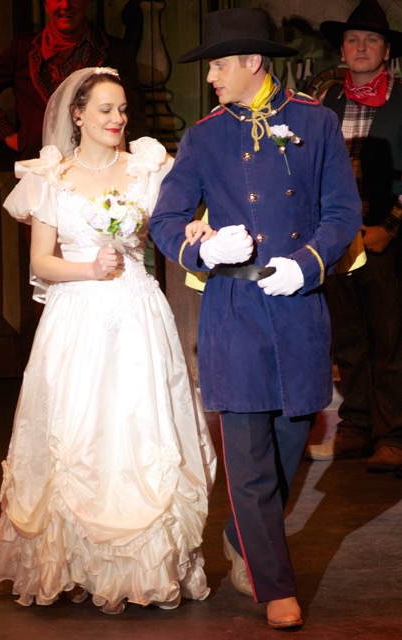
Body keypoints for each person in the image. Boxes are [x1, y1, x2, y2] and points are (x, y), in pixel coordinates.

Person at [149, 8, 362, 629]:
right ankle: (276, 587)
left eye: (218, 64)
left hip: (297, 304)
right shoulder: (204, 137)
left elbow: (342, 212)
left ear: (252, 61)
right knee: (246, 454)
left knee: (289, 443)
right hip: (235, 309)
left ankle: (241, 538)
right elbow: (165, 220)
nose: (210, 76)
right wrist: (204, 250)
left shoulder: (316, 123)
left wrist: (308, 264)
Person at [0, 67, 216, 614]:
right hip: (76, 319)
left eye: (123, 110)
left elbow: (175, 221)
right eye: (106, 110)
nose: (118, 119)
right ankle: (70, 563)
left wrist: (197, 227)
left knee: (136, 426)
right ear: (78, 114)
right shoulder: (51, 175)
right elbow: (42, 262)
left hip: (137, 314)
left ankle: (142, 567)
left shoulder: (146, 168)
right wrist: (88, 269)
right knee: (77, 430)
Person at [304, 0, 402, 474]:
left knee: (391, 342)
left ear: (386, 51)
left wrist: (390, 227)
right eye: (353, 40)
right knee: (348, 341)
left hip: (386, 238)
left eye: (371, 40)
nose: (361, 47)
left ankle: (394, 436)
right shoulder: (325, 104)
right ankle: (357, 428)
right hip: (337, 240)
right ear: (342, 49)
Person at [0, 0, 147, 160]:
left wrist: (139, 158)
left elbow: (133, 110)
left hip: (97, 162)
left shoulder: (116, 51)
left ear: (86, 3)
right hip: (38, 160)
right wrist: (7, 135)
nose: (65, 5)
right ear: (46, 4)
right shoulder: (23, 48)